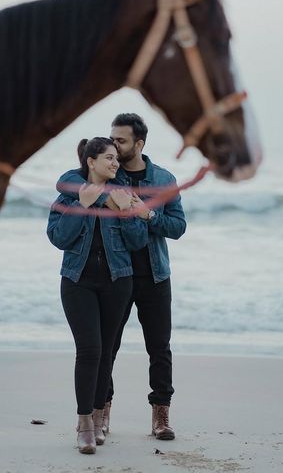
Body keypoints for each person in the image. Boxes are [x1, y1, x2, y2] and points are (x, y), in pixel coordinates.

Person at [46, 137, 148, 454]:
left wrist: (126, 212)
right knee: (89, 350)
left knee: (106, 352)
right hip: (77, 281)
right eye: (108, 158)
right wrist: (84, 205)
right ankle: (85, 423)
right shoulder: (69, 195)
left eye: (117, 158)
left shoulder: (123, 194)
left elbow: (137, 242)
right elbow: (58, 237)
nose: (115, 163)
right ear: (91, 161)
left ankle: (101, 416)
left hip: (118, 281)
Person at [105, 113, 187, 440]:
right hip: (116, 273)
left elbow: (178, 227)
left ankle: (161, 417)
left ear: (139, 143)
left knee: (159, 347)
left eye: (121, 140)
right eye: (113, 139)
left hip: (155, 275)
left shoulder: (164, 180)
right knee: (107, 347)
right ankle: (101, 411)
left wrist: (148, 214)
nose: (115, 145)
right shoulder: (108, 176)